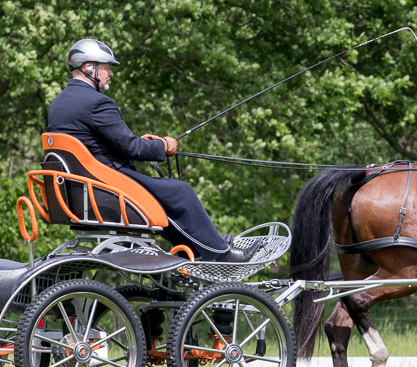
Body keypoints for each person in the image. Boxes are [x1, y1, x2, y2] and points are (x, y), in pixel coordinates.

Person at [47, 39, 260, 262]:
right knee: (180, 192)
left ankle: (205, 247)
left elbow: (93, 145)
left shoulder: (59, 103)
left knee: (167, 195)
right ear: (90, 68)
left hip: (79, 191)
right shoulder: (97, 103)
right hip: (105, 188)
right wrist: (163, 146)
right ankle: (222, 255)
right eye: (108, 68)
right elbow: (131, 148)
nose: (111, 74)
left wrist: (138, 141)